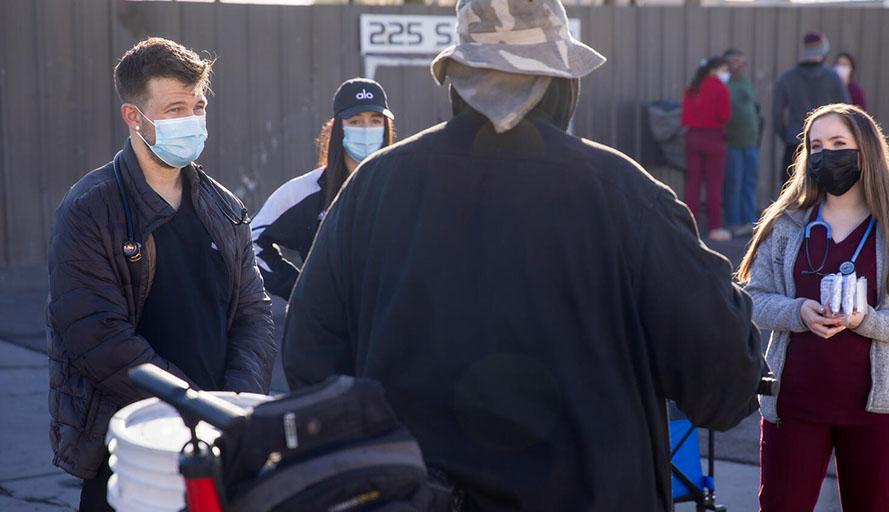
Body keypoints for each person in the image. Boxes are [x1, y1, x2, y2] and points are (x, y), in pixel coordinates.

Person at [283, 0, 766, 510]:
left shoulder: (374, 188)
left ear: (457, 79)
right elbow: (724, 382)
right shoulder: (626, 195)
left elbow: (309, 359)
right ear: (564, 83)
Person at [46, 37, 276, 511]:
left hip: (217, 447)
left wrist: (233, 405)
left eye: (198, 106)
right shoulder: (91, 209)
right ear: (134, 117)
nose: (192, 120)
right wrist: (190, 407)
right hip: (131, 451)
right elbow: (97, 337)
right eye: (175, 109)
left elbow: (253, 313)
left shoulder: (224, 207)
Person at [737, 103, 889, 511]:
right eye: (815, 146)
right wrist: (798, 312)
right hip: (795, 404)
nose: (825, 155)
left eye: (837, 144)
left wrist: (867, 320)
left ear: (864, 151)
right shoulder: (788, 222)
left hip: (878, 409)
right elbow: (751, 299)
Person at [251, 78, 396, 300]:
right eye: (355, 122)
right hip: (326, 330)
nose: (366, 130)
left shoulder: (405, 186)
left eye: (375, 121)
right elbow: (250, 242)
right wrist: (301, 290)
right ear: (338, 128)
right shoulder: (306, 191)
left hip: (391, 326)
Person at [773, 32, 850, 185]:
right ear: (823, 51)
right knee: (823, 194)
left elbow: (777, 114)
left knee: (792, 194)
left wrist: (787, 135)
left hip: (795, 143)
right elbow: (847, 111)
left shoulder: (788, 78)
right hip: (826, 146)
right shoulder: (832, 78)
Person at [681, 56, 732, 241]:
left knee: (692, 183)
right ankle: (715, 227)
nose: (727, 73)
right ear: (714, 70)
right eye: (724, 69)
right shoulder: (720, 88)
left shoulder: (692, 88)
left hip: (692, 137)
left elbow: (684, 116)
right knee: (714, 184)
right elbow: (725, 115)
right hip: (714, 138)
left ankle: (689, 225)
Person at [722, 48, 761, 237]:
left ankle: (750, 221)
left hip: (750, 143)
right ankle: (733, 222)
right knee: (734, 182)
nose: (738, 64)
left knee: (749, 182)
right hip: (733, 143)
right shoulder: (725, 83)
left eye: (741, 60)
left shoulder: (745, 82)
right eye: (733, 60)